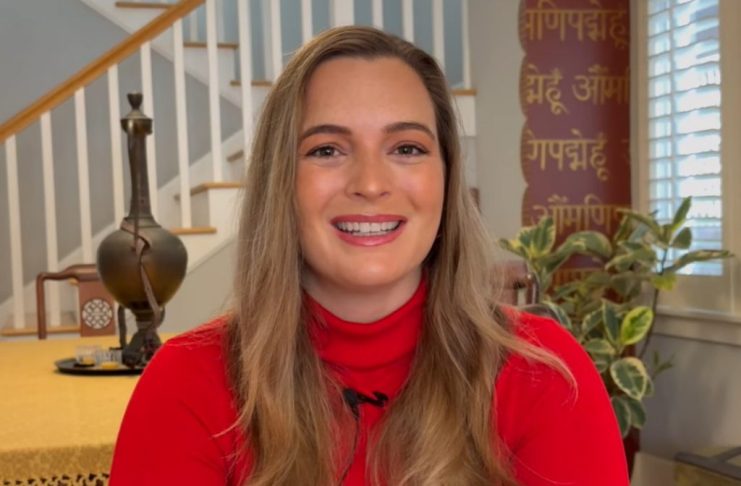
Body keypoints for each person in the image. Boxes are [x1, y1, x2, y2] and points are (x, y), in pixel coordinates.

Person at [109, 26, 629, 485]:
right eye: (327, 150)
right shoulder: (187, 382)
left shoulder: (545, 376)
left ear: (446, 176)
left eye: (407, 148)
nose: (371, 183)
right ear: (281, 181)